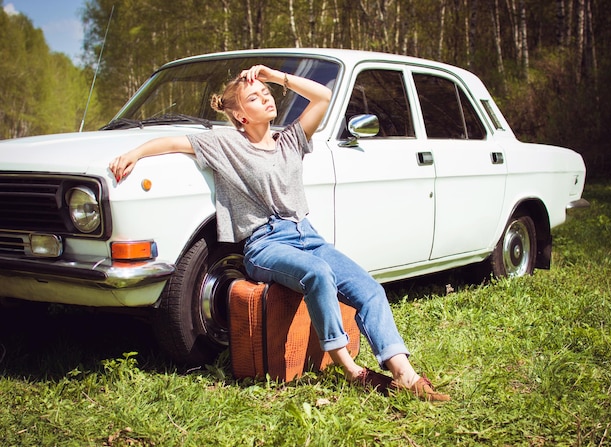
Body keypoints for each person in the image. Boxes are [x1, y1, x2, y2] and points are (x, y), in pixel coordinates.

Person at [109, 65, 450, 402]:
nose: (267, 99)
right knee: (318, 274)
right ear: (241, 116)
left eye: (267, 94)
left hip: (307, 235)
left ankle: (404, 373)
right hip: (264, 244)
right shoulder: (226, 144)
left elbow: (323, 97)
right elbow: (173, 142)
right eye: (255, 98)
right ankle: (351, 370)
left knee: (370, 289)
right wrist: (135, 153)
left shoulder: (291, 139)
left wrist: (274, 75)